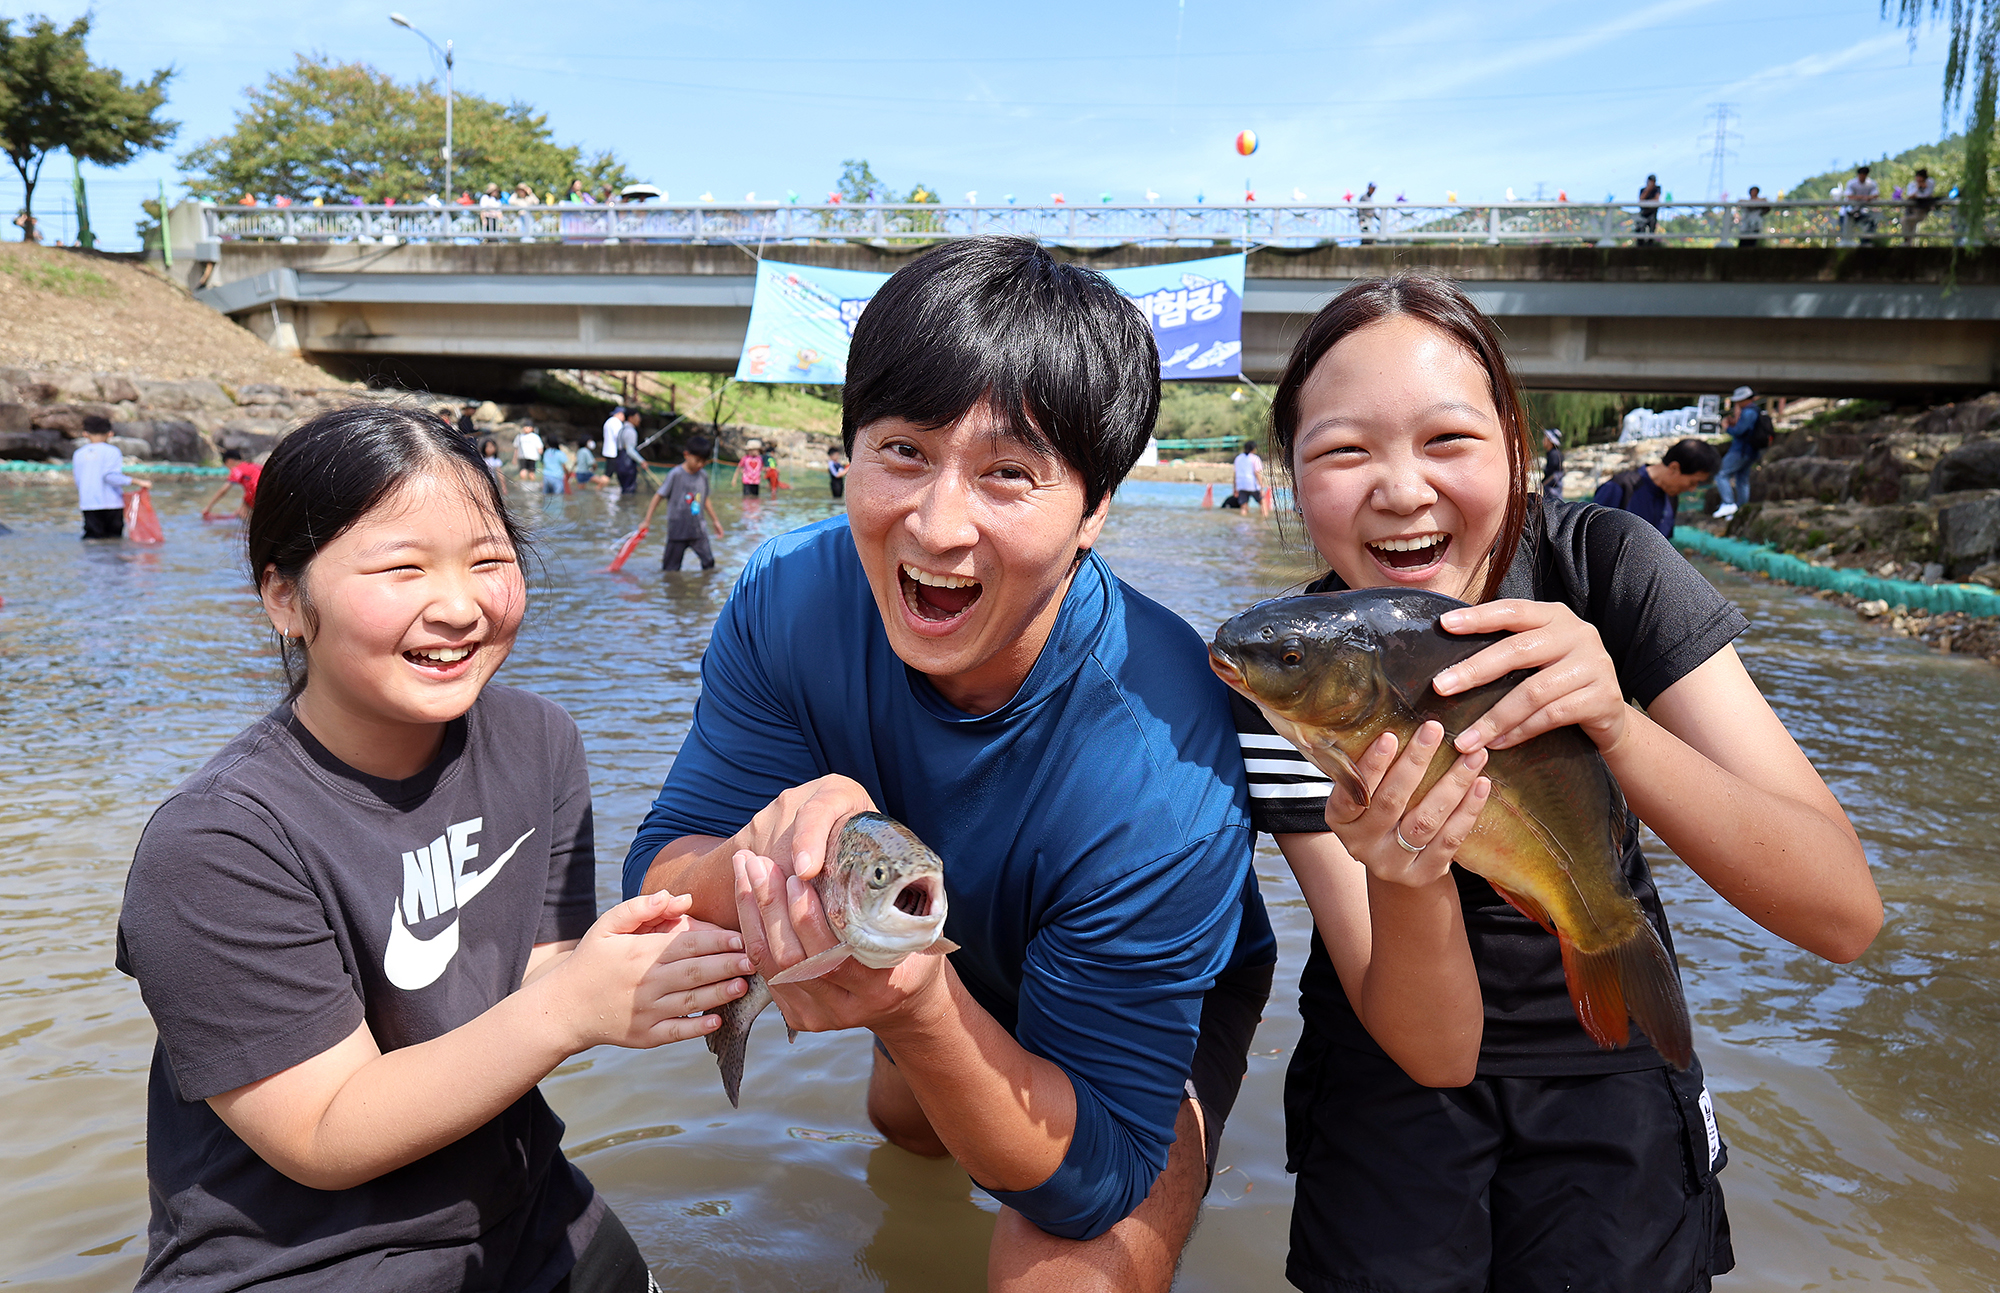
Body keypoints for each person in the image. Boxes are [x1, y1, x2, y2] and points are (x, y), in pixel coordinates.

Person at [623, 236, 1275, 1291]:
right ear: (847, 451)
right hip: (923, 932)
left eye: (1008, 474)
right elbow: (656, 880)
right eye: (902, 453)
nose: (935, 526)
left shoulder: (1171, 756)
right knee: (905, 1126)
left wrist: (915, 1010)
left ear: (1096, 506)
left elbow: (1091, 1179)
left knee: (1055, 1266)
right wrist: (763, 838)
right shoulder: (787, 600)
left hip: (1145, 1008)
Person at [1235, 274, 1879, 1293]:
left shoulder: (1607, 571)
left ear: (1512, 446)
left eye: (1446, 441)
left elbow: (1841, 914)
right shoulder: (1287, 675)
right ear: (1289, 475)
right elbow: (1433, 1054)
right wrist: (1407, 874)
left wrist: (1615, 725)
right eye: (1343, 451)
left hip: (1614, 1052)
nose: (1400, 491)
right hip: (1386, 1064)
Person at [113, 403, 752, 1292]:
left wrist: (652, 968)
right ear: (285, 598)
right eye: (403, 567)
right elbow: (324, 1131)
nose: (458, 606)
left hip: (522, 1203)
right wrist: (570, 1008)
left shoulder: (540, 740)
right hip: (306, 1258)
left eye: (488, 561)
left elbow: (530, 970)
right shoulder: (216, 843)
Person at [1592, 436, 1719, 538]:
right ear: (1674, 468)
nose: (1692, 489)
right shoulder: (1620, 488)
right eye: (1692, 482)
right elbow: (1590, 539)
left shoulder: (1671, 498)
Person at [639, 434, 726, 571]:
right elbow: (658, 496)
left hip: (698, 530)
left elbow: (705, 499)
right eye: (697, 460)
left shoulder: (703, 475)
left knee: (709, 564)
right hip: (677, 530)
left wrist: (715, 521)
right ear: (686, 455)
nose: (700, 465)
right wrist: (647, 521)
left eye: (704, 462)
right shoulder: (676, 474)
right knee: (670, 569)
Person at [73, 415, 146, 539]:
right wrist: (137, 481)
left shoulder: (79, 454)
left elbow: (78, 480)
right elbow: (110, 476)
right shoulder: (112, 451)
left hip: (88, 503)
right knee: (113, 540)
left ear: (85, 434)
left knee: (92, 539)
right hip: (111, 503)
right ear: (110, 434)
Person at [1714, 385, 1769, 520]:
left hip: (1741, 451)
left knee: (1721, 474)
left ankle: (1728, 504)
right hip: (1750, 452)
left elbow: (1740, 432)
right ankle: (1741, 509)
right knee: (1742, 479)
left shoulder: (1749, 412)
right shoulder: (1754, 411)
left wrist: (1727, 427)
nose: (1737, 403)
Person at [200, 448, 262, 521]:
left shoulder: (238, 469)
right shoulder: (254, 466)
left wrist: (208, 507)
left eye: (227, 466)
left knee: (242, 517)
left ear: (229, 461)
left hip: (256, 493)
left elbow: (223, 490)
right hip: (266, 491)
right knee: (241, 513)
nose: (229, 469)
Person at [1841, 165, 1881, 245]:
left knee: (1870, 223)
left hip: (1863, 210)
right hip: (1849, 210)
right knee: (1846, 226)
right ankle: (1846, 242)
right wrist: (1863, 197)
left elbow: (1876, 195)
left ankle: (1866, 242)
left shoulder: (1871, 184)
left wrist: (1867, 198)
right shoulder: (1852, 183)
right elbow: (1849, 196)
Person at [1902, 167, 1938, 245]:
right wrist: (1917, 188)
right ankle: (1908, 241)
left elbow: (1927, 194)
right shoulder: (1912, 185)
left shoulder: (1930, 183)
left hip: (1922, 209)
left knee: (1907, 221)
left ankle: (1908, 241)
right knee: (1907, 222)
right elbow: (1910, 195)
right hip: (1912, 209)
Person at [1228, 439, 1266, 509]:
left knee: (1243, 506)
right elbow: (1257, 473)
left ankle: (1243, 520)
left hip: (1241, 485)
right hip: (1252, 485)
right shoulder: (1255, 458)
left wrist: (1234, 488)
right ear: (1254, 449)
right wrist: (1262, 488)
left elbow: (1235, 475)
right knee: (1263, 503)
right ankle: (1264, 519)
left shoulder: (1238, 458)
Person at [1635, 174, 1663, 242]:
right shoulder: (1643, 189)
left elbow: (1657, 199)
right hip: (1643, 212)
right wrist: (1647, 189)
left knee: (1652, 229)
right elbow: (1641, 199)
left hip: (1652, 213)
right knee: (1640, 228)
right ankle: (1640, 245)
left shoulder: (1657, 189)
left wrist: (1646, 202)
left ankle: (1650, 244)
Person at [1539, 428, 1564, 502]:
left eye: (1545, 438)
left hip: (1552, 490)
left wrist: (1542, 484)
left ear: (1550, 441)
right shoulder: (1553, 453)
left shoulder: (1554, 455)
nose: (1543, 440)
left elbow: (1554, 474)